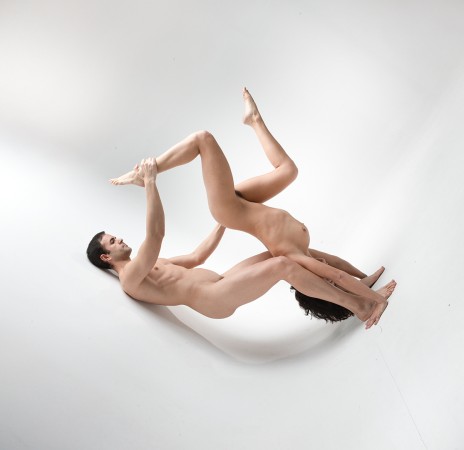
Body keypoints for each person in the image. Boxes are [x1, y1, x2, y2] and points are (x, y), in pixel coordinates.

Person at [88, 89, 396, 329]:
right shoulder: (131, 278)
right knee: (283, 265)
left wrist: (224, 220)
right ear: (106, 257)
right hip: (213, 299)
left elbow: (197, 257)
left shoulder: (153, 265)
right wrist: (151, 183)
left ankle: (360, 285)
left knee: (283, 254)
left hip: (222, 280)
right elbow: (155, 235)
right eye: (113, 241)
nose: (120, 239)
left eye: (115, 236)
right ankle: (361, 306)